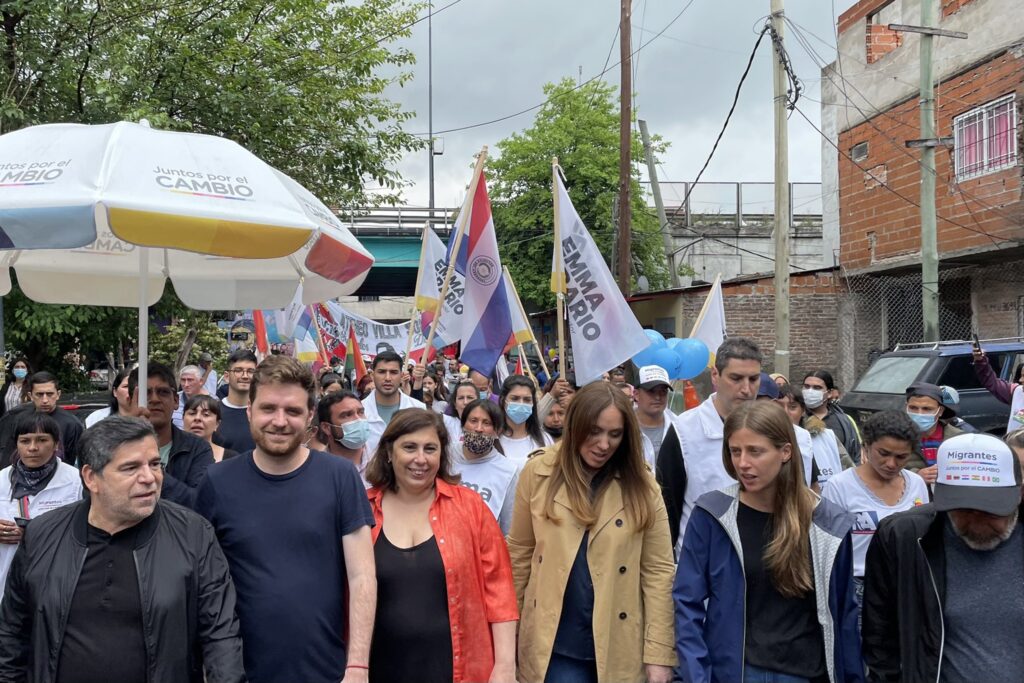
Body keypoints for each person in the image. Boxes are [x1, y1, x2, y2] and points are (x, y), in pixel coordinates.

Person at [0, 416, 245, 683]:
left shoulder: (193, 534)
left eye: (155, 464)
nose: (149, 478)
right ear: (91, 478)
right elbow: (12, 633)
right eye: (131, 468)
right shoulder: (42, 535)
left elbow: (221, 637)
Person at [196, 355, 376, 683]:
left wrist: (358, 666)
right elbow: (202, 584)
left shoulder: (340, 476)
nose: (279, 421)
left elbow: (362, 576)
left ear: (309, 416)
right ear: (249, 412)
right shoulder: (216, 482)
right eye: (268, 408)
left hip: (326, 670)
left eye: (292, 411)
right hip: (238, 672)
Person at [674, 400, 862, 683]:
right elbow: (687, 604)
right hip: (735, 672)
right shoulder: (712, 514)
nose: (743, 463)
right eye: (735, 451)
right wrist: (696, 675)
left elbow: (844, 616)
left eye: (755, 451)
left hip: (807, 673)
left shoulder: (828, 523)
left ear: (785, 452)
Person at [508, 382, 676, 683]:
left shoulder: (643, 485)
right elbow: (519, 555)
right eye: (594, 432)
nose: (604, 444)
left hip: (619, 646)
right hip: (555, 646)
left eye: (615, 434)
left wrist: (659, 655)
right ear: (576, 425)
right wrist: (509, 636)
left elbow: (658, 572)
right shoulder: (538, 472)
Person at [365, 408, 517, 683]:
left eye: (430, 449)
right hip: (379, 668)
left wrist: (505, 666)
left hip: (457, 669)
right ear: (388, 451)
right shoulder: (363, 511)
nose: (420, 459)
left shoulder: (470, 507)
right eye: (409, 447)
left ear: (442, 454)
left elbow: (500, 590)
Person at [862, 432, 1024, 683]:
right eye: (964, 510)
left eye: (991, 511)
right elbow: (880, 638)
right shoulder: (903, 538)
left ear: (1018, 494)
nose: (976, 521)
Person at [657, 337, 763, 549]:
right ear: (715, 375)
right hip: (700, 558)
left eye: (753, 379)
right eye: (736, 378)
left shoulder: (772, 430)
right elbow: (667, 511)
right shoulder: (684, 431)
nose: (746, 389)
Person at [821, 411, 927, 616]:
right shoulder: (839, 486)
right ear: (867, 446)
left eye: (901, 457)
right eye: (884, 453)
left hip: (906, 587)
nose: (891, 464)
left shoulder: (917, 484)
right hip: (858, 590)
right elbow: (827, 549)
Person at [0, 412, 83, 595]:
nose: (33, 448)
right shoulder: (1, 481)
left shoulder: (76, 481)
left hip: (57, 581)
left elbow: (90, 531)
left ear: (56, 444)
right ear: (16, 444)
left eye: (42, 440)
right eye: (25, 441)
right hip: (6, 582)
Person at [128, 363, 213, 509]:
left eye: (163, 392)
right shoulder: (112, 447)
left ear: (176, 401)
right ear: (131, 401)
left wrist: (154, 470)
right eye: (146, 393)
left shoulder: (197, 449)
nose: (155, 399)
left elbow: (200, 504)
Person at [454, 399, 520, 534]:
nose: (479, 428)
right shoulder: (444, 456)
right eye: (473, 421)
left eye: (487, 423)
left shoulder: (508, 471)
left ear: (497, 431)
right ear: (463, 425)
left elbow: (509, 530)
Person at [0, 372, 84, 470]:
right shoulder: (19, 419)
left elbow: (75, 461)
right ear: (30, 395)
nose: (45, 400)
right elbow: (8, 457)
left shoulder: (72, 424)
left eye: (49, 394)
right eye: (39, 394)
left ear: (58, 394)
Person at [777, 382, 849, 487]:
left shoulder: (825, 436)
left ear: (803, 411)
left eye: (792, 407)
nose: (785, 412)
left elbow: (848, 473)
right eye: (778, 407)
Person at [364, 351, 425, 460]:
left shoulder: (419, 409)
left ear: (401, 376)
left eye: (393, 372)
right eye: (382, 372)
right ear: (372, 375)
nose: (388, 378)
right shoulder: (359, 411)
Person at [903, 382, 962, 484]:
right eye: (913, 408)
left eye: (927, 409)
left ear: (940, 411)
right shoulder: (896, 436)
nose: (919, 414)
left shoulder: (958, 438)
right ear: (906, 407)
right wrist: (916, 475)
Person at [802, 370, 861, 465]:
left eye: (817, 388)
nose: (810, 391)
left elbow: (855, 453)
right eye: (806, 386)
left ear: (829, 393)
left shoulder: (843, 421)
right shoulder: (796, 417)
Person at [317, 390, 372, 487]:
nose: (358, 419)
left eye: (360, 412)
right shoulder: (318, 470)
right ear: (326, 427)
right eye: (347, 415)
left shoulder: (382, 461)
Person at [498, 375, 552, 464]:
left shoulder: (545, 439)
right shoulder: (493, 440)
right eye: (515, 398)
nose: (521, 403)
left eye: (527, 399)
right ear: (503, 400)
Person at [216, 349, 258, 454]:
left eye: (250, 371)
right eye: (238, 371)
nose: (245, 376)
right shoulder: (213, 412)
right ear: (226, 376)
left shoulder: (265, 412)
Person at [635, 365, 677, 469]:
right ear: (636, 394)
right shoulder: (622, 425)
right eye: (651, 391)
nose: (658, 397)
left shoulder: (678, 426)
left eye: (663, 391)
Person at [184, 394, 239, 463]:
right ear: (183, 419)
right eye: (192, 413)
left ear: (217, 424)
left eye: (206, 414)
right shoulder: (172, 452)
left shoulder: (232, 459)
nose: (197, 418)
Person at [173, 364, 208, 428]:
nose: (186, 384)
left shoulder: (213, 401)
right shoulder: (173, 399)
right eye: (183, 380)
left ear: (200, 381)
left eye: (190, 380)